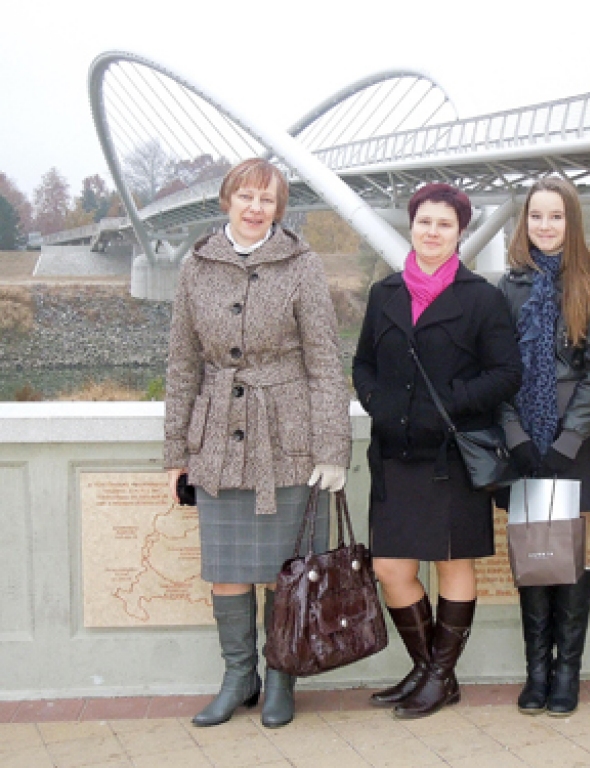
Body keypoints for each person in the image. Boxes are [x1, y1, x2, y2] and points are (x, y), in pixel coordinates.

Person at [164, 158, 352, 729]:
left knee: (285, 572)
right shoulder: (195, 267)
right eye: (245, 196)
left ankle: (279, 680)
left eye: (266, 200)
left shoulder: (303, 265)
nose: (254, 208)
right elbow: (182, 364)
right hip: (217, 440)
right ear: (226, 200)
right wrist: (176, 452)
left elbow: (324, 361)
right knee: (228, 569)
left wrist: (332, 449)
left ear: (279, 208)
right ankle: (237, 676)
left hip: (288, 437)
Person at [352, 183, 521, 719]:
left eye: (444, 224)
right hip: (396, 452)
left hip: (451, 457)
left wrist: (449, 403)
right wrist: (377, 403)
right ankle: (432, 673)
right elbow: (362, 365)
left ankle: (436, 676)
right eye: (424, 222)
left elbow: (506, 373)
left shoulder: (482, 298)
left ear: (460, 232)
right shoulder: (385, 294)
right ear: (411, 226)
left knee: (452, 566)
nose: (432, 232)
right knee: (391, 568)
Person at [497, 177, 590, 716]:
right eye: (536, 216)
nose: (544, 226)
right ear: (524, 223)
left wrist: (569, 437)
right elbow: (496, 370)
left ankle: (567, 671)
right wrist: (519, 439)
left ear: (572, 222)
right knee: (533, 554)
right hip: (523, 439)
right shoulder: (508, 286)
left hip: (575, 438)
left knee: (569, 554)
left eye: (556, 216)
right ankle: (537, 672)